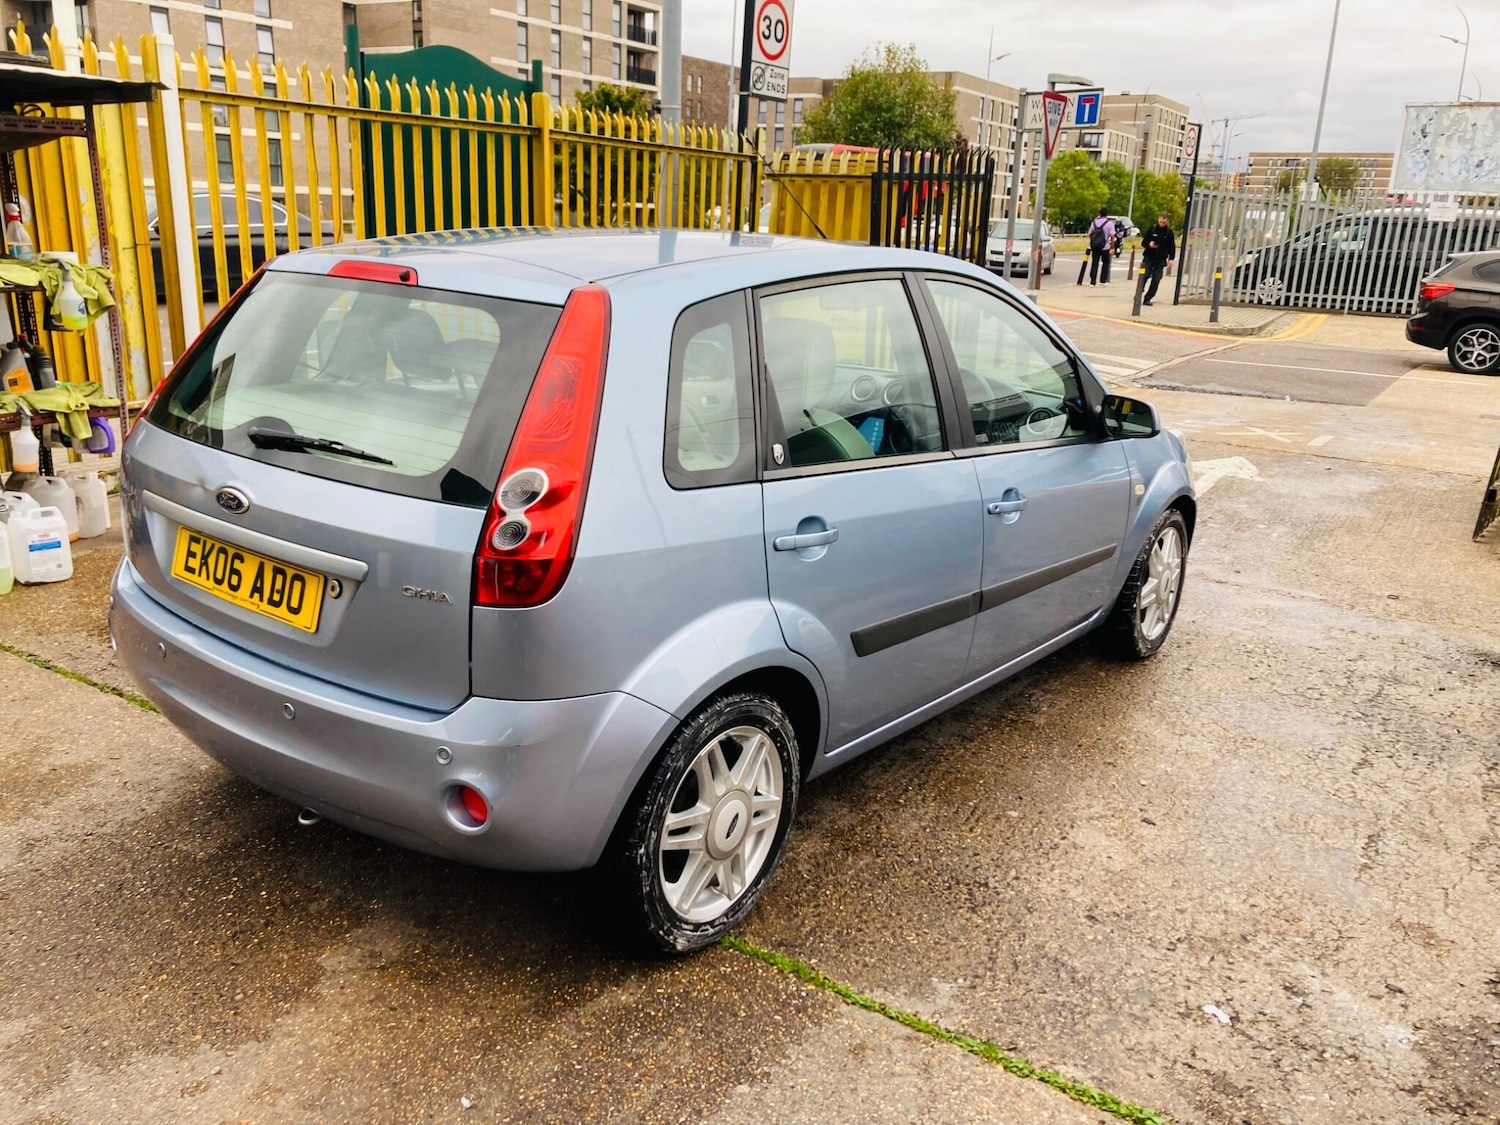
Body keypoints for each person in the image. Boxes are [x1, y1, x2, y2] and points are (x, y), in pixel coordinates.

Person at [1141, 212, 1177, 306]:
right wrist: (1149, 244)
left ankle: (1148, 298)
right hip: (1149, 257)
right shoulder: (1152, 229)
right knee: (1144, 276)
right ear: (1158, 219)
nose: (1162, 224)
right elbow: (1143, 242)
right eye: (1161, 222)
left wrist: (1171, 258)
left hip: (1160, 259)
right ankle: (1139, 291)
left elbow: (1172, 246)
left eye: (1164, 223)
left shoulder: (1169, 232)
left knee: (1156, 280)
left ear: (1167, 221)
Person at [1087, 209, 1115, 285]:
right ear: (1107, 214)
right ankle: (1103, 281)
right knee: (1105, 263)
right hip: (1105, 246)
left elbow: (1090, 234)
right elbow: (1112, 236)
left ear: (1099, 214)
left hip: (1095, 246)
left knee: (1095, 263)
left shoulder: (1094, 223)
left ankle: (1092, 281)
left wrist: (1092, 242)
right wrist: (1112, 247)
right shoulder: (1110, 223)